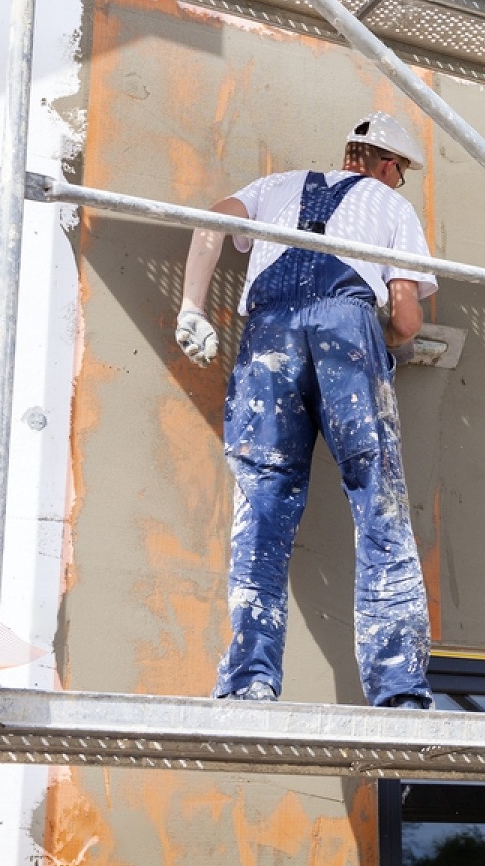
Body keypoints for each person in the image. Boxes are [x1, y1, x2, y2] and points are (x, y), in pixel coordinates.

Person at [175, 111, 435, 709]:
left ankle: (249, 682)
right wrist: (388, 343)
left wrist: (193, 307)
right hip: (345, 331)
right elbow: (406, 317)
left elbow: (212, 220)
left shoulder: (275, 185)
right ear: (390, 165)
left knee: (262, 506)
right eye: (400, 174)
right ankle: (397, 689)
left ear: (349, 152)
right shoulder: (392, 207)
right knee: (378, 500)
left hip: (268, 337)